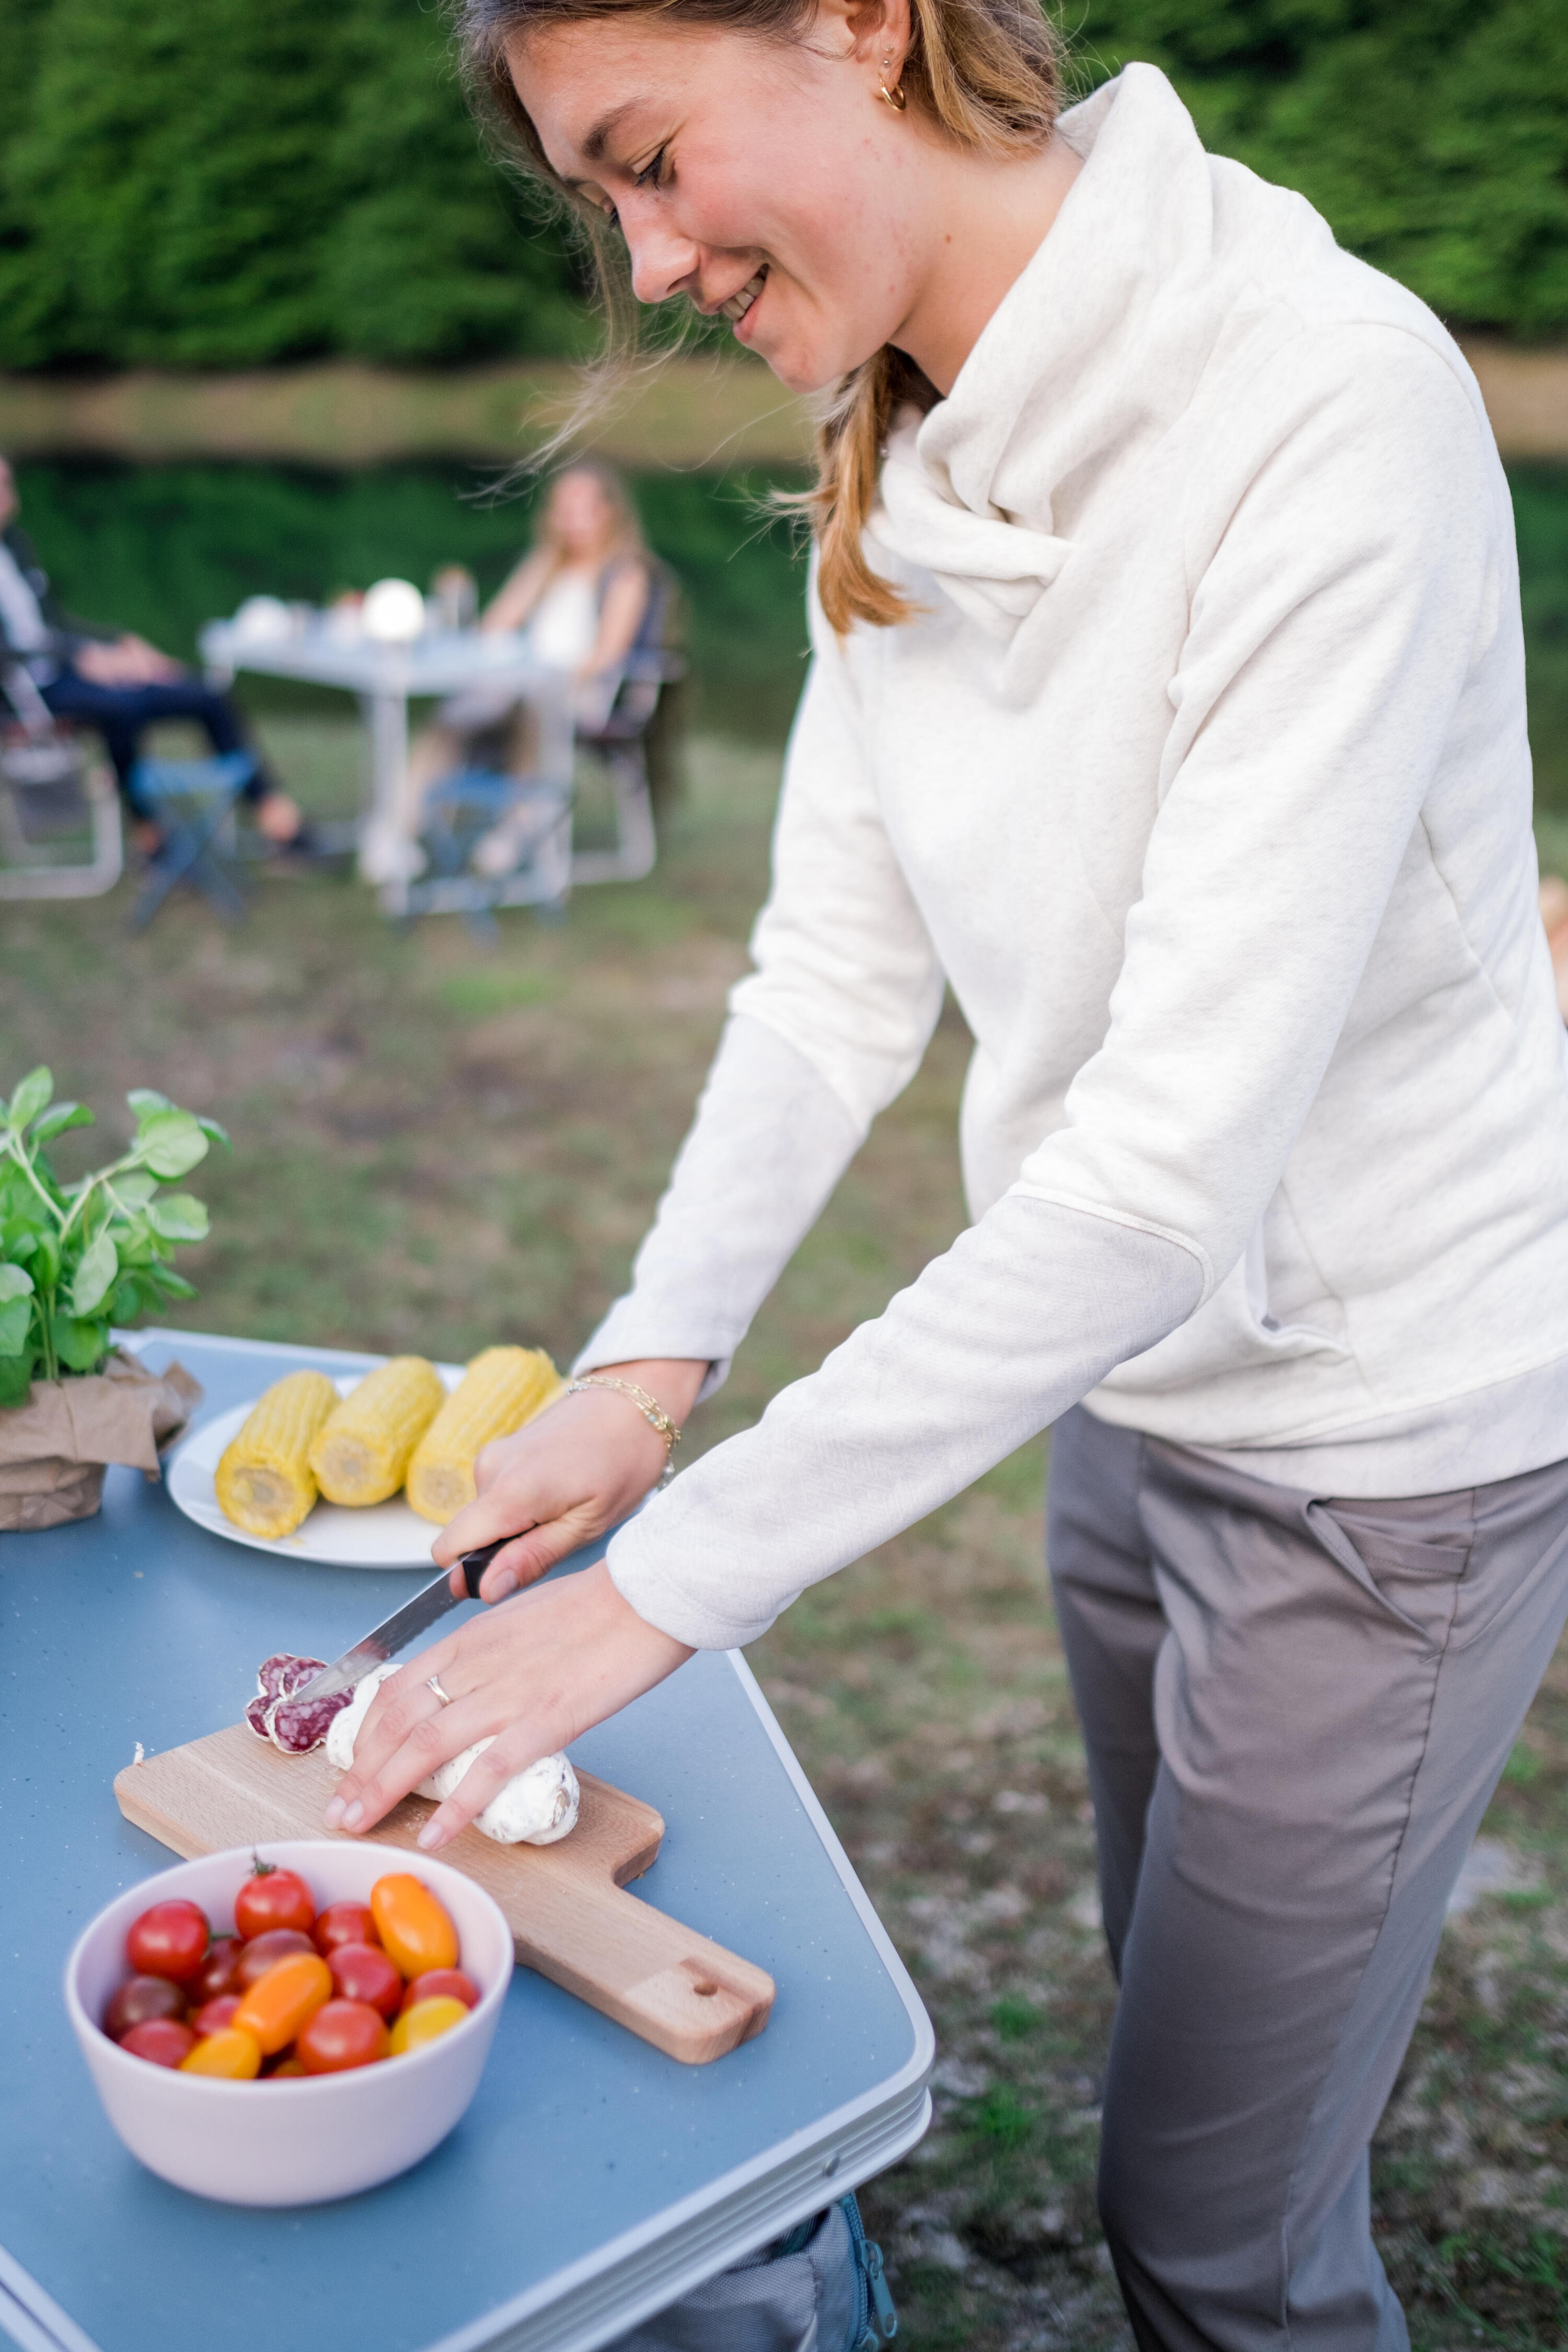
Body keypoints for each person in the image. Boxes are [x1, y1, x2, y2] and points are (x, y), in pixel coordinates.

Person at [326, 5, 1568, 2345]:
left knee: (1205, 2234)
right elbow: (825, 978)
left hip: (1382, 1444)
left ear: (860, 25)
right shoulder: (884, 414)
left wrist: (656, 1588)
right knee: (1176, 2027)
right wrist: (638, 1368)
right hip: (1122, 1397)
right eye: (603, 200)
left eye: (653, 155)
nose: (654, 255)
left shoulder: (1320, 397)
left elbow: (1155, 1172)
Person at [0, 456, 309, 857]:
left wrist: (121, 645)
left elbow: (51, 623)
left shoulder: (15, 544)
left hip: (60, 673)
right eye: (2, 487)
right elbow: (22, 645)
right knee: (120, 707)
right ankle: (152, 834)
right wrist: (86, 658)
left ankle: (278, 820)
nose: (12, 499)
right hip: (21, 695)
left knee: (207, 692)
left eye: (9, 485)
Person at [406, 461, 655, 850]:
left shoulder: (626, 573)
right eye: (562, 510)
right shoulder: (547, 563)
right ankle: (405, 829)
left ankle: (518, 834)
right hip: (520, 683)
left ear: (608, 511)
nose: (570, 521)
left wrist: (550, 680)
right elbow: (494, 627)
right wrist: (537, 569)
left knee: (532, 711)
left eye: (581, 509)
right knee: (450, 719)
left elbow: (608, 654)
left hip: (583, 692)